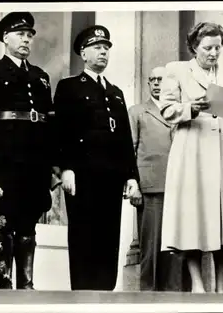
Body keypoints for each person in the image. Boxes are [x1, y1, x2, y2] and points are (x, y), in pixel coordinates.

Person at [159, 22, 223, 293]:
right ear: (194, 47)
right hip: (192, 148)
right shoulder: (177, 70)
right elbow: (166, 110)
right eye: (207, 48)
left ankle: (221, 287)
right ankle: (199, 285)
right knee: (194, 215)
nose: (213, 53)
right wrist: (192, 106)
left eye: (218, 48)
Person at [0, 12, 54, 290]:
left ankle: (26, 285)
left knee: (28, 221)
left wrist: (52, 162)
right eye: (20, 34)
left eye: (29, 35)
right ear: (5, 38)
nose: (26, 39)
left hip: (35, 159)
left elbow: (49, 121)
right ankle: (5, 285)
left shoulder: (40, 76)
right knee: (4, 220)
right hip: (5, 156)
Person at [53, 25, 140, 291]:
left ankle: (106, 295)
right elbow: (61, 132)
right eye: (97, 48)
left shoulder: (115, 92)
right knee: (84, 236)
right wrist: (65, 168)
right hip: (83, 175)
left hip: (112, 177)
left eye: (106, 48)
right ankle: (82, 296)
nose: (103, 52)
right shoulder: (69, 87)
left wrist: (131, 177)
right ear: (83, 53)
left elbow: (125, 138)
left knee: (108, 236)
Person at [128, 67, 191, 292]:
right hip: (151, 185)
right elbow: (130, 149)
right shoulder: (137, 111)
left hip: (182, 186)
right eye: (152, 79)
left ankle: (179, 296)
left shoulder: (182, 110)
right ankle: (148, 296)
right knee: (151, 247)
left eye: (161, 80)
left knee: (180, 247)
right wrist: (132, 183)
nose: (156, 83)